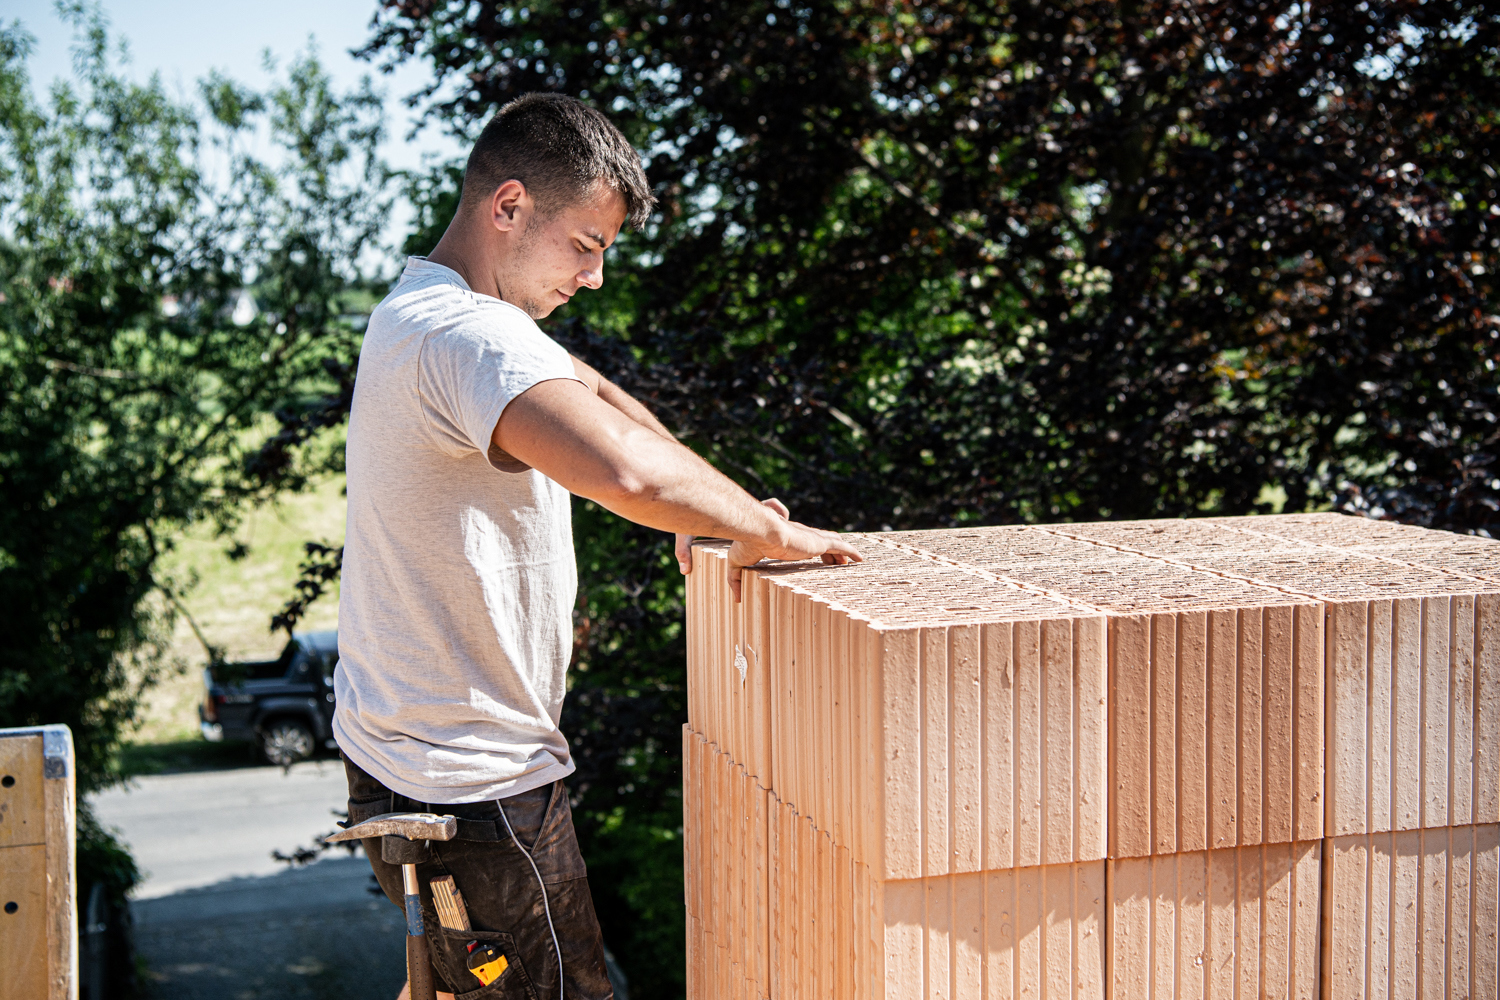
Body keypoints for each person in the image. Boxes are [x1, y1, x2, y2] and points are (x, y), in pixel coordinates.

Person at [335, 93, 861, 1000]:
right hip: (478, 802)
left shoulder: (419, 311)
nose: (595, 277)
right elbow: (628, 474)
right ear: (509, 207)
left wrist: (715, 510)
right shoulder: (471, 336)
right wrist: (770, 530)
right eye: (586, 245)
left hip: (404, 772)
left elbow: (616, 416)